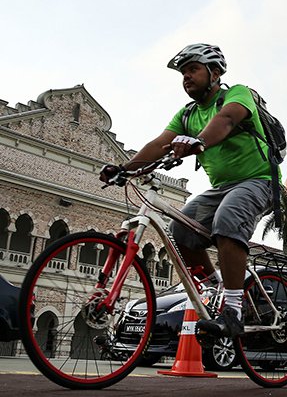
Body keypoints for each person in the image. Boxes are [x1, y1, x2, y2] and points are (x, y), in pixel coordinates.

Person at [100, 43, 276, 338]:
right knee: (180, 230)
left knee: (228, 219)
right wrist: (125, 168)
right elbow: (159, 144)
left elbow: (227, 119)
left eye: (193, 69)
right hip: (221, 187)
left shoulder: (236, 94)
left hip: (259, 180)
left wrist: (198, 141)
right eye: (183, 73)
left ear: (215, 72)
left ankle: (233, 310)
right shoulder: (187, 114)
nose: (186, 77)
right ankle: (214, 290)